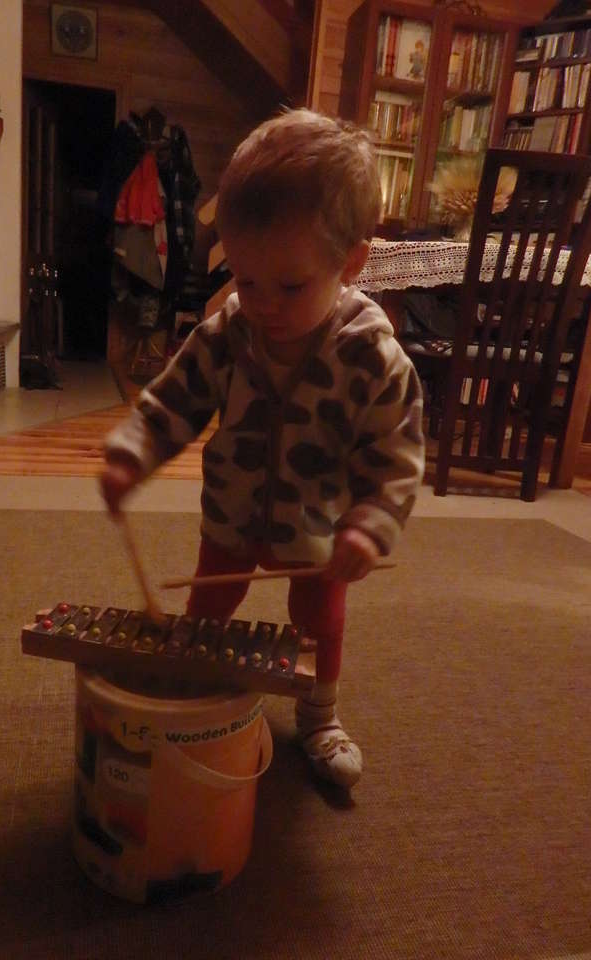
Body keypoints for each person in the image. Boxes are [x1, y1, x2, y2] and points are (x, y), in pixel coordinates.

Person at [99, 108, 425, 792]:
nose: (263, 304)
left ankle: (320, 715)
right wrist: (132, 452)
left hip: (319, 525)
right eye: (245, 281)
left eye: (290, 286)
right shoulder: (228, 333)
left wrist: (371, 525)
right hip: (233, 511)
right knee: (208, 607)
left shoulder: (371, 356)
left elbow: (396, 454)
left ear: (350, 263)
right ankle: (194, 682)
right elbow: (173, 399)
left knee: (319, 620)